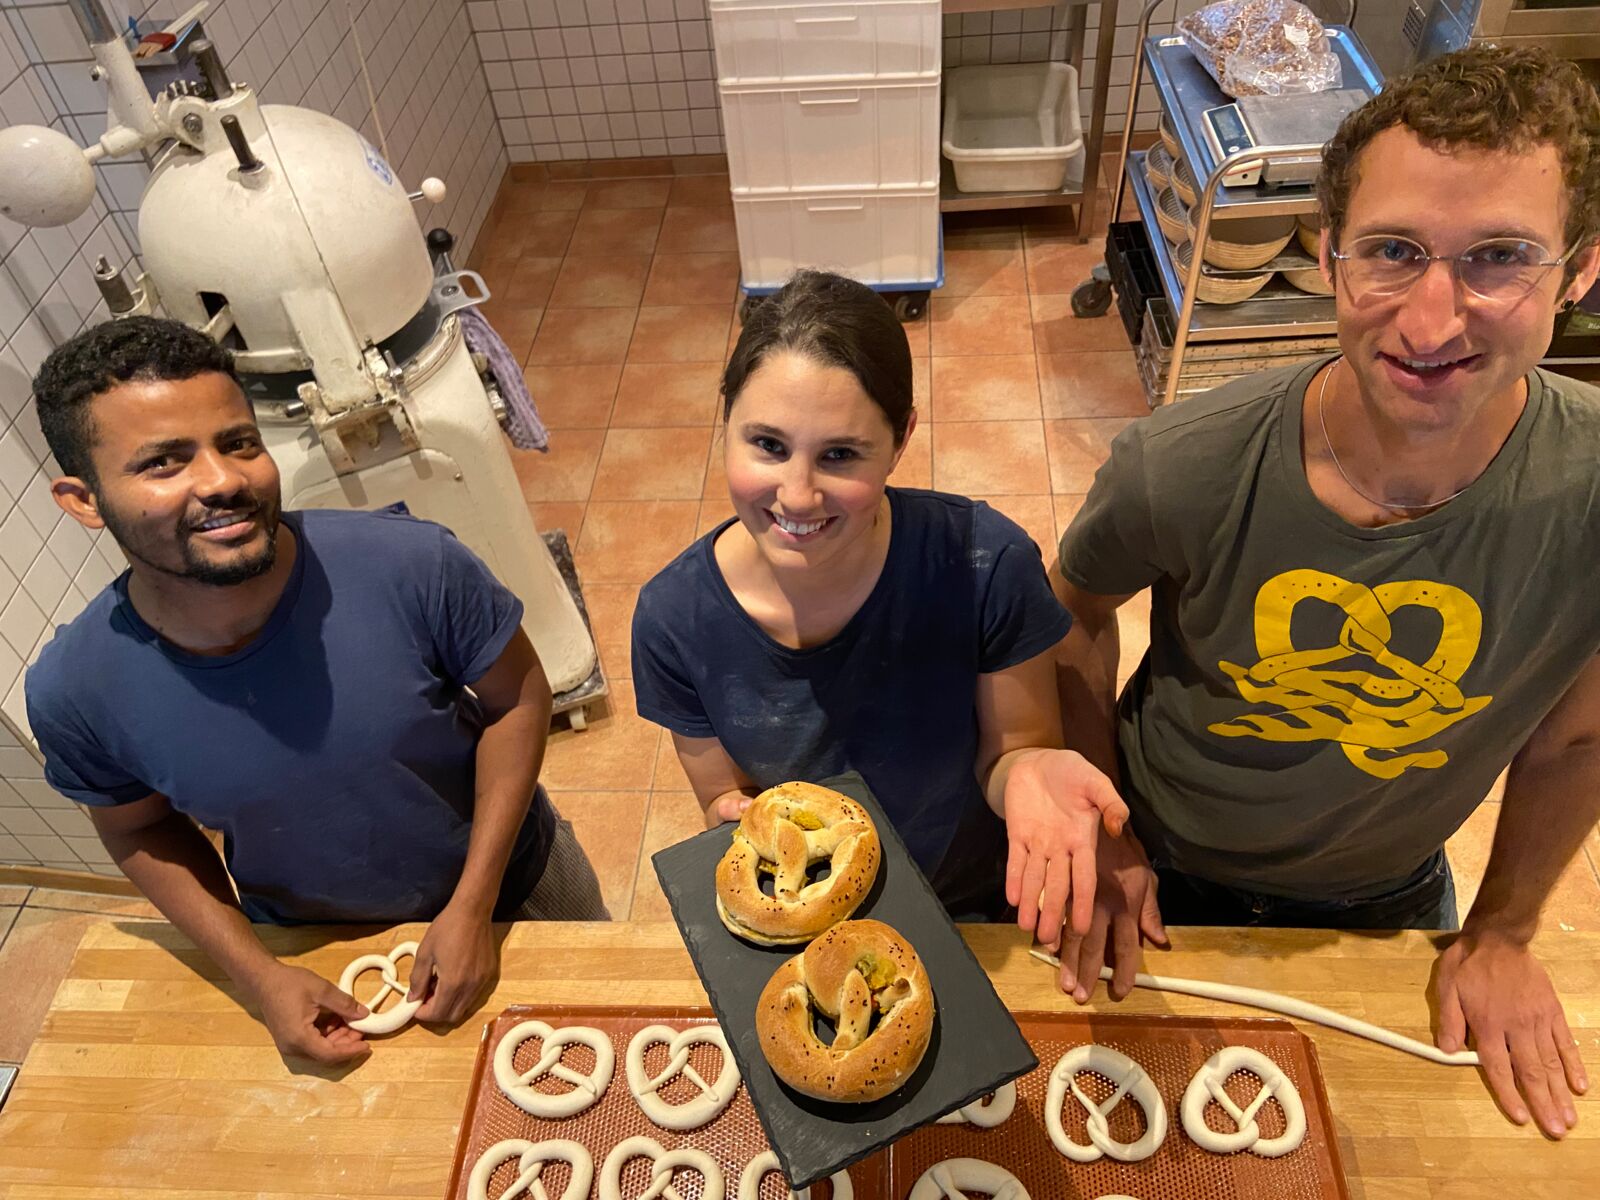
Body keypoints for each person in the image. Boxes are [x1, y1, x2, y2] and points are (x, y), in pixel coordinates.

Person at [1050, 45, 1600, 1139]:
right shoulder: (1184, 462)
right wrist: (1103, 832)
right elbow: (1066, 614)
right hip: (1154, 867)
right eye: (1392, 251)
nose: (1433, 321)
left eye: (1499, 258)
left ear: (1580, 273)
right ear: (1328, 255)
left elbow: (1575, 744)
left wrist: (1500, 934)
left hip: (1389, 897)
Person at [24, 317, 608, 1066]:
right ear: (83, 499)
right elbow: (139, 830)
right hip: (312, 945)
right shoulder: (76, 690)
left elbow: (517, 698)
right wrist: (261, 976)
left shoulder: (411, 566)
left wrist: (474, 903)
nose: (224, 480)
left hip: (519, 887)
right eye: (164, 463)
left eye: (238, 443)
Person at [631, 270, 1124, 946]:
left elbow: (1014, 751)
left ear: (900, 440)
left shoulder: (983, 566)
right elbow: (732, 802)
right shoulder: (672, 621)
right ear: (726, 424)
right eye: (768, 445)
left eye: (840, 455)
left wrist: (1034, 770)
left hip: (974, 910)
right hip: (814, 920)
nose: (797, 496)